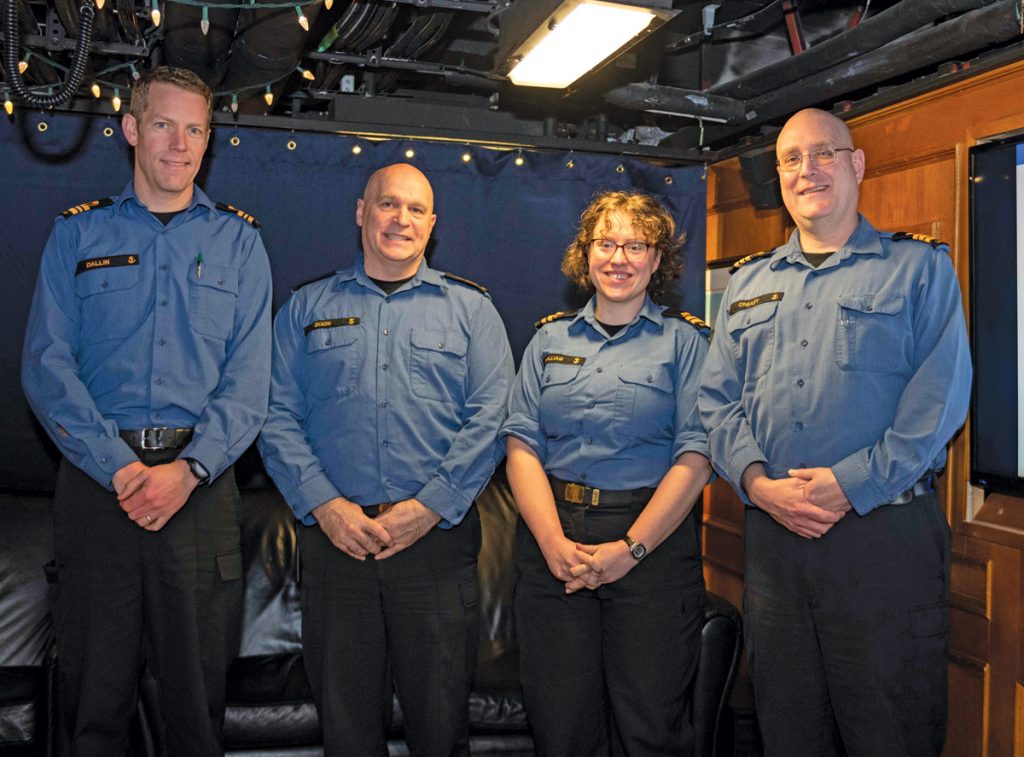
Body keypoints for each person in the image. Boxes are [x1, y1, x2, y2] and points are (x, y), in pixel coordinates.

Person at [698, 108, 972, 756]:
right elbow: (716, 403)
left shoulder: (919, 270)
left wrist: (849, 485)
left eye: (823, 153)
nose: (806, 169)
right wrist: (760, 486)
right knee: (789, 731)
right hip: (775, 550)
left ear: (856, 164)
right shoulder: (747, 283)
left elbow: (940, 401)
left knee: (891, 733)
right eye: (791, 159)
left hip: (883, 545)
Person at [21, 66, 272, 755]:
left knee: (195, 713)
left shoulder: (241, 244)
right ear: (131, 129)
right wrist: (121, 468)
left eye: (195, 129)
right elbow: (46, 367)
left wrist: (187, 469)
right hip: (99, 494)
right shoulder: (77, 236)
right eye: (163, 124)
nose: (179, 143)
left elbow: (250, 384)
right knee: (91, 710)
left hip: (200, 494)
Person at [257, 162, 514, 756]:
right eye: (388, 204)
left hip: (437, 547)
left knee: (440, 728)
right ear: (361, 211)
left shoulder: (471, 311)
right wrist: (326, 506)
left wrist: (428, 508)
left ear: (433, 224)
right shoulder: (305, 308)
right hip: (336, 544)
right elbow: (274, 415)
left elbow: (493, 418)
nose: (401, 219)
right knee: (346, 733)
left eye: (416, 209)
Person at [501, 191, 712, 756]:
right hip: (555, 545)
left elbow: (696, 456)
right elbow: (521, 446)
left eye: (635, 245)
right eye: (606, 243)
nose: (618, 258)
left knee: (648, 728)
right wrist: (551, 544)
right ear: (585, 253)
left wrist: (631, 549)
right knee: (560, 728)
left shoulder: (685, 342)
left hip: (651, 546)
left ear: (656, 258)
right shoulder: (548, 340)